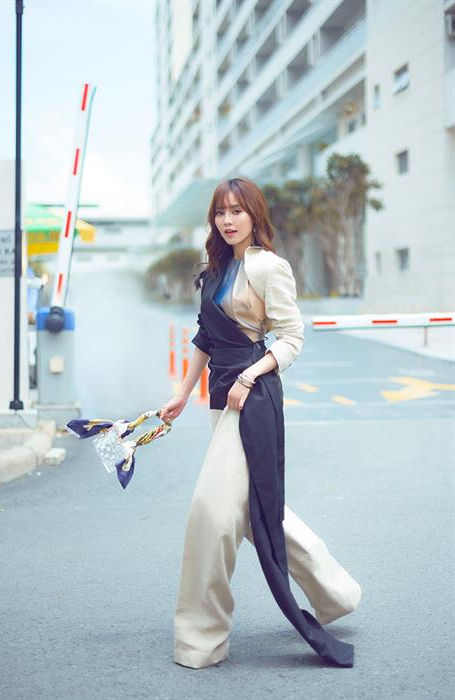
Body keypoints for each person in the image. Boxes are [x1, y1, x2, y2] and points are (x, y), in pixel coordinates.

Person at [160, 177, 361, 670]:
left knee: (211, 514)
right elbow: (205, 337)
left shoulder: (269, 266)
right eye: (220, 212)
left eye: (237, 211)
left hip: (253, 400)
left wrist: (249, 377)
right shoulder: (213, 269)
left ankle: (201, 639)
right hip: (221, 401)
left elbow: (291, 337)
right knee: (258, 511)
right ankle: (336, 593)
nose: (228, 220)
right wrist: (182, 393)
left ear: (254, 215)